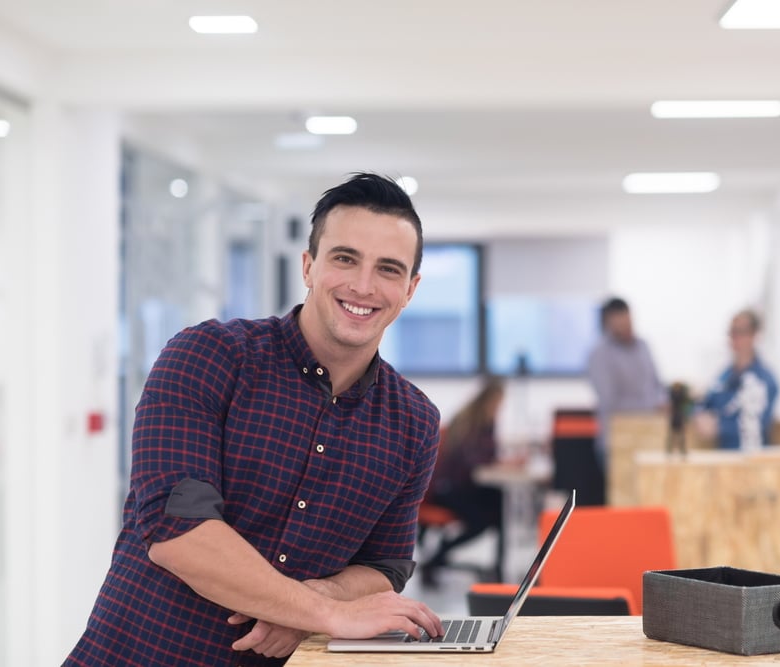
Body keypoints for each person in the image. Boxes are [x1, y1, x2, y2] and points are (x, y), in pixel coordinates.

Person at [64, 173, 444, 666]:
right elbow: (178, 532)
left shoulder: (413, 421)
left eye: (388, 269)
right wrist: (327, 614)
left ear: (410, 290)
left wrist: (313, 600)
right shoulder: (208, 356)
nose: (363, 285)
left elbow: (384, 566)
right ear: (308, 267)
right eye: (345, 258)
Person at [420, 376, 506, 587]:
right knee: (484, 517)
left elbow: (485, 458)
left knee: (499, 502)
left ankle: (497, 567)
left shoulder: (484, 422)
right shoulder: (469, 422)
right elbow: (472, 461)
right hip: (448, 489)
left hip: (462, 487)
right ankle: (436, 558)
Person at [586, 297, 667, 465]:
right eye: (620, 323)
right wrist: (652, 407)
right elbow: (610, 403)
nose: (626, 328)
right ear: (608, 324)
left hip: (650, 438)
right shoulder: (599, 355)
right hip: (618, 443)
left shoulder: (643, 345)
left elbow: (657, 384)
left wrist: (663, 400)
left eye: (628, 321)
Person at [694, 309, 780, 450]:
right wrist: (700, 416)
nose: (734, 338)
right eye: (731, 332)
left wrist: (719, 427)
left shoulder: (765, 380)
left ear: (754, 335)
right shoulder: (724, 376)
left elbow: (757, 423)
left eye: (740, 332)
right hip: (724, 458)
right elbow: (704, 402)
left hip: (752, 458)